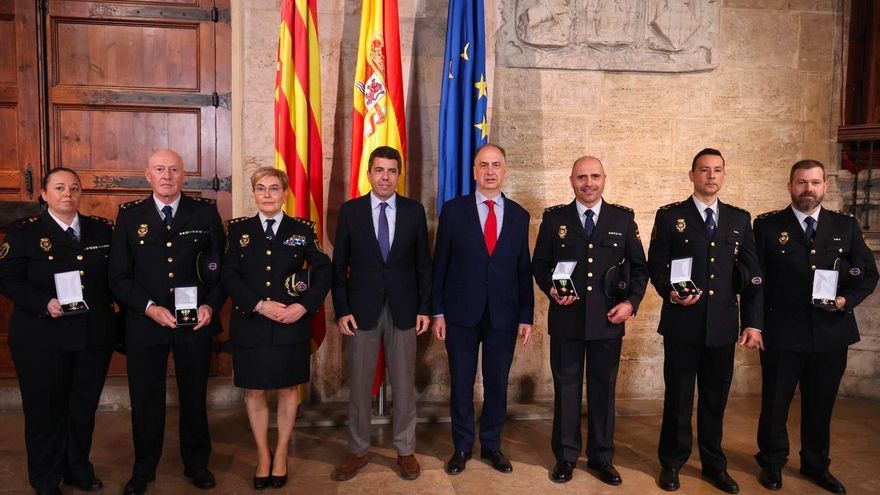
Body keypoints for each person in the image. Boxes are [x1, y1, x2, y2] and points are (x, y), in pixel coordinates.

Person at [753, 160, 878, 493]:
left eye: (815, 182)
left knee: (821, 404)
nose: (808, 189)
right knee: (775, 403)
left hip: (830, 333)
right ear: (790, 186)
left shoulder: (845, 226)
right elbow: (755, 281)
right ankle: (772, 462)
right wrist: (754, 325)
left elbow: (867, 275)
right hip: (781, 332)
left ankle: (816, 465)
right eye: (801, 182)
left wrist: (844, 301)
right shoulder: (767, 226)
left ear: (824, 186)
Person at [109, 149, 226, 494]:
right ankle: (143, 469)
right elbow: (118, 277)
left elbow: (223, 269)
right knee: (146, 398)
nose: (167, 175)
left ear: (184, 176)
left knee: (194, 395)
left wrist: (211, 306)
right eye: (159, 169)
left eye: (174, 170)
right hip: (145, 323)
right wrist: (148, 307)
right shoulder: (130, 216)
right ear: (147, 175)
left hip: (195, 324)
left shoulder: (203, 212)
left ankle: (197, 464)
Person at [647, 148, 764, 493]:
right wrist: (671, 292)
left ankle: (714, 464)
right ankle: (672, 462)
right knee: (679, 399)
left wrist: (753, 323)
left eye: (717, 170)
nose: (711, 176)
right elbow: (656, 265)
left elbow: (754, 275)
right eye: (704, 170)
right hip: (682, 324)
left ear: (723, 176)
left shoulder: (739, 219)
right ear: (692, 175)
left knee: (715, 400)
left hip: (723, 327)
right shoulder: (671, 216)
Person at [532, 156, 648, 485]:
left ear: (604, 179)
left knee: (603, 391)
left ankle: (601, 458)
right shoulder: (556, 219)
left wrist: (631, 304)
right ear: (571, 181)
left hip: (607, 322)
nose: (588, 183)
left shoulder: (622, 219)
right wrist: (552, 290)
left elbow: (640, 268)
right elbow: (539, 264)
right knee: (566, 390)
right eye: (581, 177)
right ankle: (566, 456)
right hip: (567, 320)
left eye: (594, 176)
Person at [0, 168, 116, 495]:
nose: (68, 194)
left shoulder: (99, 230)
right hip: (41, 338)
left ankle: (78, 469)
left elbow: (114, 277)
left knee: (82, 409)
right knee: (44, 412)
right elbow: (8, 278)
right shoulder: (25, 232)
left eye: (74, 188)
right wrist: (44, 302)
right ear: (44, 194)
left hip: (91, 337)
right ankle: (45, 478)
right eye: (60, 187)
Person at [222, 167, 331, 490]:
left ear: (285, 193)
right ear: (253, 193)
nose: (267, 194)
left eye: (273, 188)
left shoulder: (302, 229)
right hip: (252, 323)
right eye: (260, 188)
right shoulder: (238, 231)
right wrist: (259, 304)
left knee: (286, 390)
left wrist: (305, 305)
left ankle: (281, 451)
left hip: (290, 324)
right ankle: (262, 455)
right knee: (254, 391)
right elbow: (228, 276)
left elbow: (324, 270)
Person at [331, 146, 432, 481]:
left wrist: (424, 309)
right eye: (379, 170)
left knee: (404, 384)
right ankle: (358, 449)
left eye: (391, 171)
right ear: (369, 173)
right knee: (359, 384)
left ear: (398, 174)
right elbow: (338, 266)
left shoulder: (414, 212)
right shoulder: (351, 211)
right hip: (361, 312)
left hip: (404, 310)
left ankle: (405, 450)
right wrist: (342, 309)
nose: (385, 177)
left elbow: (423, 267)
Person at [432, 142, 534, 475]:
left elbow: (523, 270)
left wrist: (526, 316)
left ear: (504, 171)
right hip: (460, 314)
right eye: (483, 165)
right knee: (461, 382)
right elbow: (440, 266)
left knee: (496, 383)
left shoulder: (519, 215)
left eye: (496, 165)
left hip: (503, 316)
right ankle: (462, 446)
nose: (490, 172)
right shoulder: (453, 210)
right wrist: (437, 312)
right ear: (474, 171)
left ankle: (491, 445)